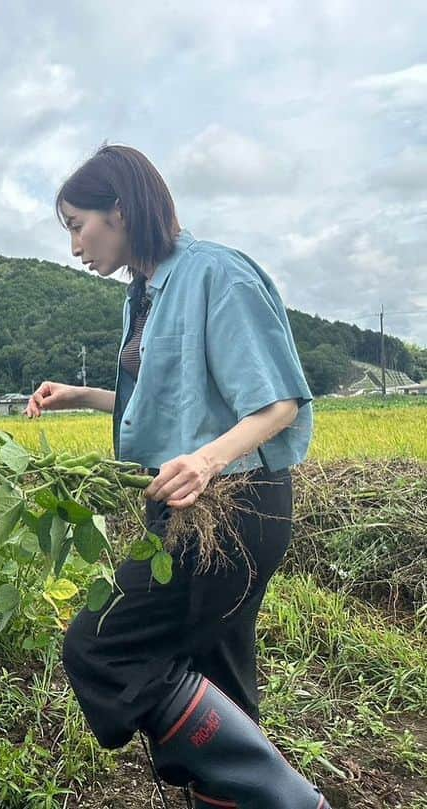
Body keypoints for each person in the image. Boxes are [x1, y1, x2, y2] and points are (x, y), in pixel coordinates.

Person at [27, 145, 328, 809]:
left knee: (99, 646)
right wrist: (81, 394)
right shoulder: (144, 293)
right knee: (215, 672)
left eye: (78, 225)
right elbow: (175, 399)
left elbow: (279, 401)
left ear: (122, 210)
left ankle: (284, 798)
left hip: (234, 508)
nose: (75, 244)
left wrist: (208, 459)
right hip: (184, 504)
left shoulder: (217, 274)